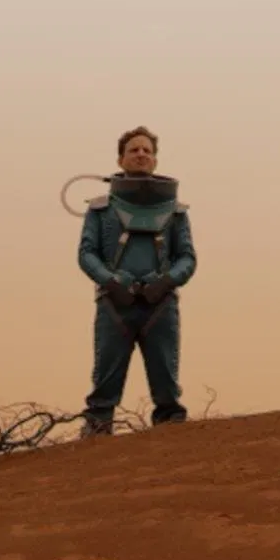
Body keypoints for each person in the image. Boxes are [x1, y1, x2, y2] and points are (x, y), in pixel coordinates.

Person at [76, 127, 197, 437]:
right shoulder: (100, 209)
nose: (141, 154)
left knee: (167, 385)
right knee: (104, 383)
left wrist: (166, 281)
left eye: (147, 150)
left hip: (161, 305)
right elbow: (86, 253)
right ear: (120, 159)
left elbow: (187, 257)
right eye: (134, 150)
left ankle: (173, 442)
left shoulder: (175, 211)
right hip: (114, 304)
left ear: (155, 160)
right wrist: (111, 281)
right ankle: (95, 437)